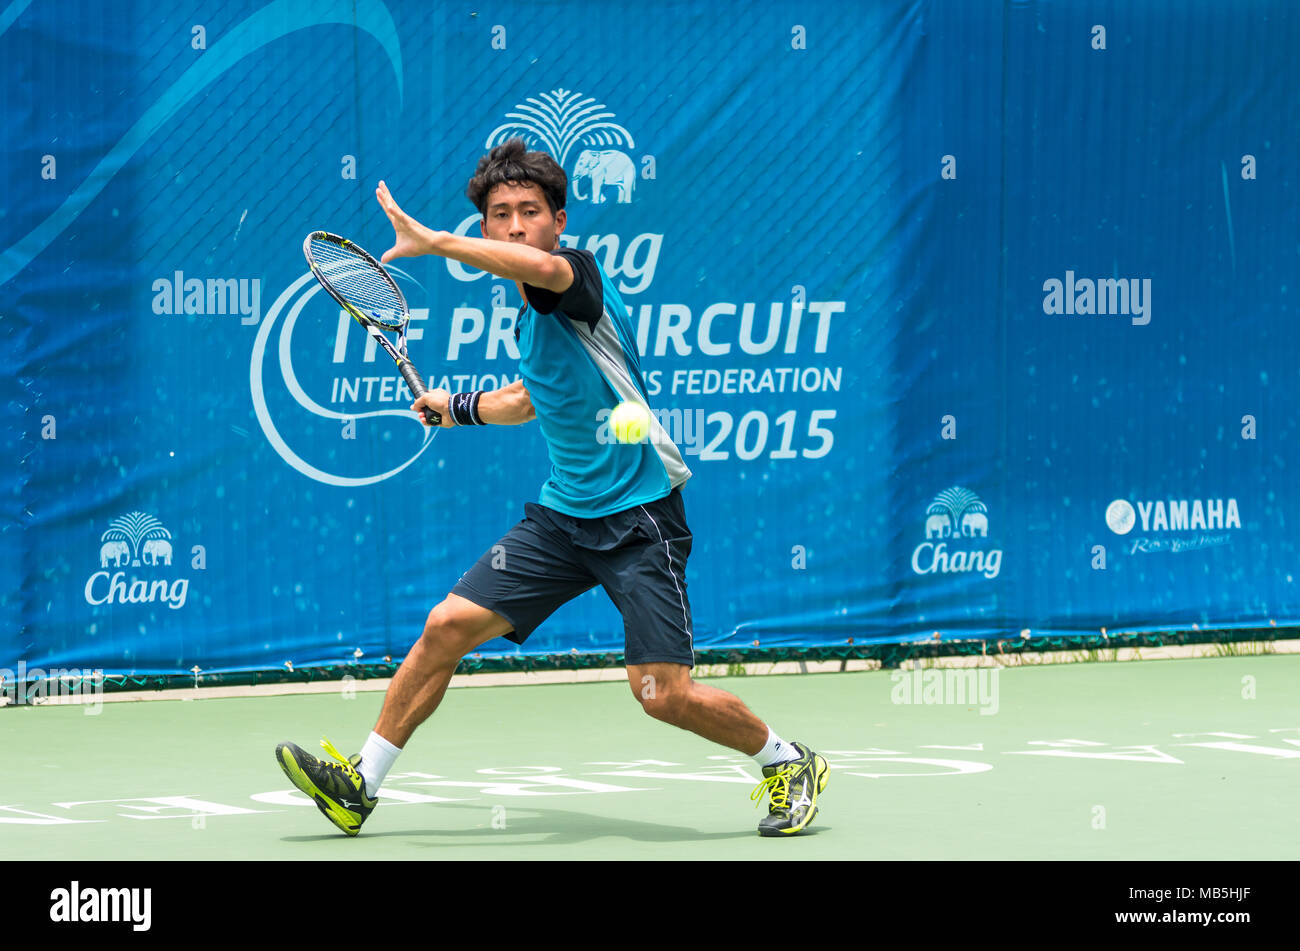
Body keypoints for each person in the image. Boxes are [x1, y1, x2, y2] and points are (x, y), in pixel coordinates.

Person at [276, 138, 828, 837]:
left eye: (529, 211)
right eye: (500, 214)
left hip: (638, 519)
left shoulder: (574, 278)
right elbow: (532, 399)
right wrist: (458, 406)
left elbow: (537, 268)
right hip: (564, 518)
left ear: (557, 221)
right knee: (445, 626)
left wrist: (435, 241)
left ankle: (787, 759)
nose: (514, 225)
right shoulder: (526, 313)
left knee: (661, 694)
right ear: (487, 225)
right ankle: (361, 783)